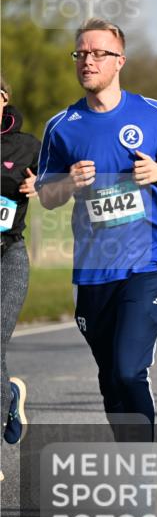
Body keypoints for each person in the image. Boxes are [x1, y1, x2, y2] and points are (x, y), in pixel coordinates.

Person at [37, 18, 157, 439]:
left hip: (146, 262)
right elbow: (47, 195)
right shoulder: (61, 127)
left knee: (128, 369)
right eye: (81, 53)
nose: (87, 60)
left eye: (97, 53)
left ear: (119, 60)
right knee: (110, 380)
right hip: (92, 269)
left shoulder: (152, 112)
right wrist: (70, 181)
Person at [1, 78, 39, 448]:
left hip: (8, 253)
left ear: (4, 98)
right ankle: (9, 393)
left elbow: (56, 178)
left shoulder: (27, 145)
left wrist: (40, 184)